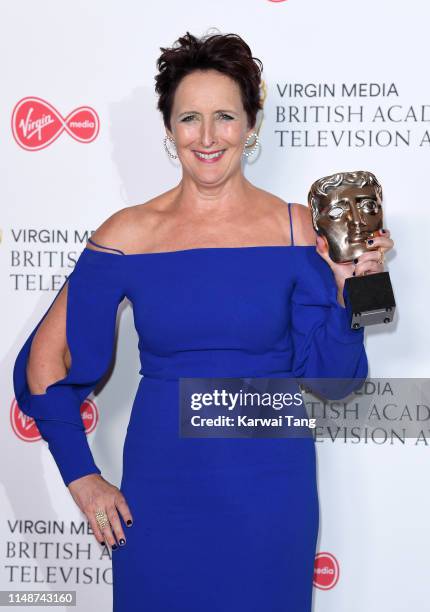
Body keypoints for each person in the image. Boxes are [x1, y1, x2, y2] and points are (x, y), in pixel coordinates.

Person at [13, 31, 394, 612]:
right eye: (190, 117)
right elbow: (47, 358)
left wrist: (349, 293)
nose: (208, 137)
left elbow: (334, 383)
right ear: (168, 127)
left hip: (270, 491)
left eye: (226, 116)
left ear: (251, 123)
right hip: (161, 491)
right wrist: (81, 477)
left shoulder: (299, 229)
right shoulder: (128, 234)